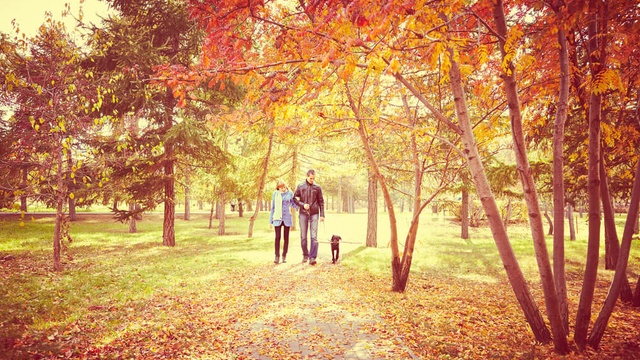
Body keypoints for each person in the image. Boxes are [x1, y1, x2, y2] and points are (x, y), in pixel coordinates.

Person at [293, 169, 325, 265]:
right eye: (311, 178)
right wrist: (302, 205)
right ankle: (305, 255)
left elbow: (321, 202)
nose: (312, 180)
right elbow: (294, 198)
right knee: (303, 236)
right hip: (303, 213)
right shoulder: (300, 186)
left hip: (314, 213)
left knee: (314, 236)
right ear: (307, 176)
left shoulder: (317, 187)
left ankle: (312, 257)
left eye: (313, 178)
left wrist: (322, 214)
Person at [269, 179, 296, 264]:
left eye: (284, 187)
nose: (283, 189)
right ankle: (277, 256)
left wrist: (301, 207)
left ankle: (284, 255)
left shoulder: (290, 193)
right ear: (278, 188)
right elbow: (272, 207)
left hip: (287, 218)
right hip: (277, 218)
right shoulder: (275, 194)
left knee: (286, 238)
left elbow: (293, 203)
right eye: (281, 188)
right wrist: (271, 221)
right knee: (277, 237)